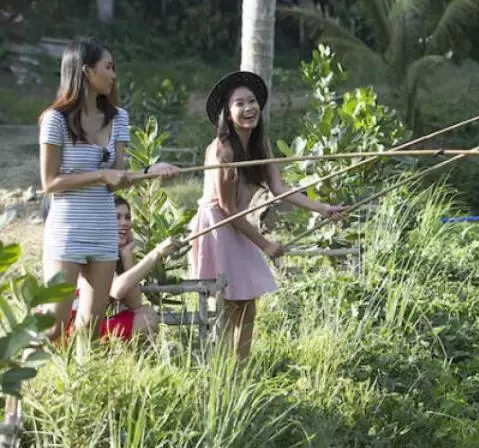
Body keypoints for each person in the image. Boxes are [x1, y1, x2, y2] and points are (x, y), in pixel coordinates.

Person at [188, 71, 344, 362]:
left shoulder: (261, 144)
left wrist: (322, 208)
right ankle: (220, 373)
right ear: (227, 111)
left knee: (249, 304)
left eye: (252, 101)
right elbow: (226, 208)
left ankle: (242, 369)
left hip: (239, 223)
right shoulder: (223, 150)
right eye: (239, 103)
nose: (248, 108)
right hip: (219, 226)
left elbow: (279, 189)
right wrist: (266, 245)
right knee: (229, 304)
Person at [37, 37, 180, 341]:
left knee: (89, 329)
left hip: (102, 229)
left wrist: (149, 173)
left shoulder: (119, 119)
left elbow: (120, 175)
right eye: (108, 67)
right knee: (53, 327)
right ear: (86, 70)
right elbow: (49, 183)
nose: (114, 75)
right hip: (68, 229)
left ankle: (80, 387)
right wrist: (100, 174)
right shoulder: (55, 120)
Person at [59, 196, 184, 343]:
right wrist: (156, 254)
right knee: (145, 321)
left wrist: (127, 256)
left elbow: (134, 302)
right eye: (116, 217)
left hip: (87, 327)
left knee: (147, 313)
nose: (124, 223)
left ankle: (130, 362)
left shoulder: (115, 253)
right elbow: (116, 290)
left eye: (127, 217)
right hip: (68, 331)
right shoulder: (95, 249)